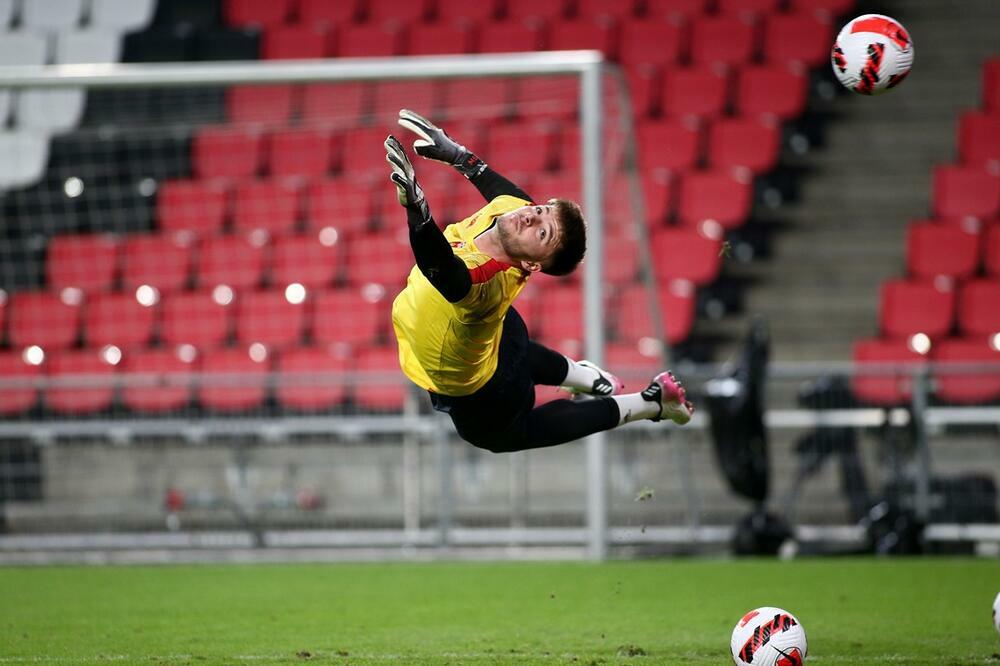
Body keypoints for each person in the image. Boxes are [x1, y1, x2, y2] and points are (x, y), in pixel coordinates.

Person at [385, 109, 693, 454]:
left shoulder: (483, 283)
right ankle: (589, 378)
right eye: (543, 210)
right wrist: (459, 156)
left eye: (542, 232)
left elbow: (440, 267)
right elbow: (496, 185)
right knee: (513, 347)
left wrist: (418, 210)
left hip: (484, 389)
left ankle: (651, 403)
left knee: (511, 434)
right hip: (500, 335)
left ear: (531, 263)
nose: (530, 215)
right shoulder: (512, 213)